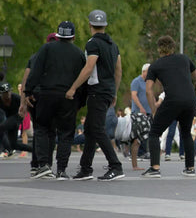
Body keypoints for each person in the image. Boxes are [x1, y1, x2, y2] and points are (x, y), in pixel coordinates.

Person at [66, 10, 124, 181]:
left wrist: (73, 88)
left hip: (97, 91)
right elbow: (118, 70)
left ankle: (116, 166)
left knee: (97, 129)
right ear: (104, 25)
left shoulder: (92, 44)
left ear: (90, 25)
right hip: (107, 91)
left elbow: (89, 67)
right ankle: (85, 168)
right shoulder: (113, 45)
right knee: (90, 129)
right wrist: (114, 91)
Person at [25, 21, 85, 180]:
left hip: (47, 94)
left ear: (57, 35)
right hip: (68, 96)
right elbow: (83, 78)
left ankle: (44, 165)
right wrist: (80, 101)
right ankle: (62, 170)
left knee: (43, 128)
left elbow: (35, 71)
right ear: (73, 36)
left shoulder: (46, 49)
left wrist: (28, 91)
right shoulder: (78, 53)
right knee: (66, 133)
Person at [141, 35, 196, 178]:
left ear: (159, 49)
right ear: (173, 47)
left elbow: (148, 89)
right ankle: (190, 168)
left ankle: (155, 168)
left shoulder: (156, 65)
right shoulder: (185, 59)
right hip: (190, 100)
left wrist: (154, 109)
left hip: (172, 100)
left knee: (154, 132)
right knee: (186, 133)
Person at [19, 33, 58, 178]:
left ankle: (35, 165)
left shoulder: (35, 56)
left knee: (39, 131)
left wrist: (23, 101)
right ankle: (45, 164)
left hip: (33, 96)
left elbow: (26, 79)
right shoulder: (58, 56)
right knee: (50, 132)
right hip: (50, 96)